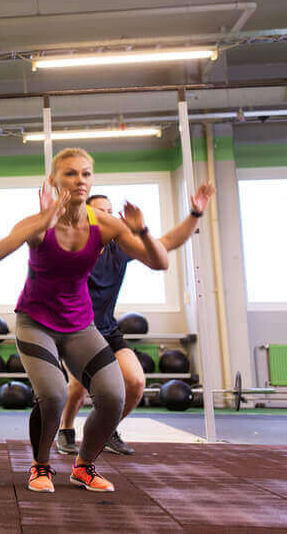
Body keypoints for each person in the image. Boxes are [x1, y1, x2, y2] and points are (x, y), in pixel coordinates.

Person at [0, 148, 169, 493]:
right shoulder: (39, 223)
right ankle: (41, 466)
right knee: (53, 394)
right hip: (36, 321)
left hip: (80, 324)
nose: (79, 180)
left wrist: (142, 230)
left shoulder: (106, 225)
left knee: (113, 396)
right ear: (55, 180)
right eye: (70, 173)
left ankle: (83, 467)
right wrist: (42, 221)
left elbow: (159, 262)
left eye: (86, 174)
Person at [56, 183, 216, 456]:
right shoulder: (72, 248)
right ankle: (66, 429)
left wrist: (195, 214)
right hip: (75, 331)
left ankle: (105, 429)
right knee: (79, 385)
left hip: (107, 329)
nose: (108, 216)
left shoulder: (120, 248)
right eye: (101, 211)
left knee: (136, 382)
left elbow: (167, 243)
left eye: (111, 211)